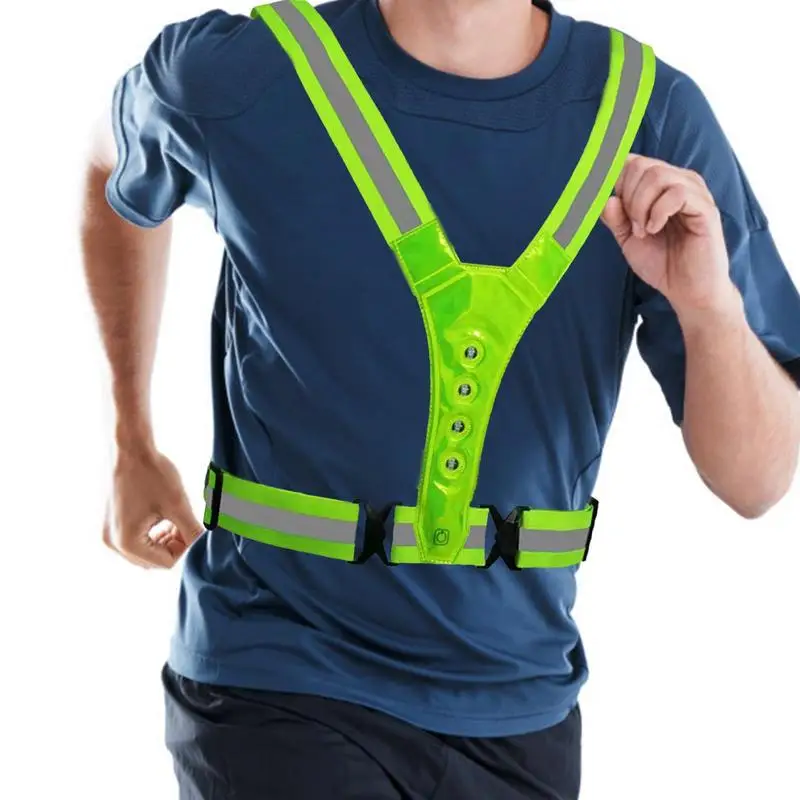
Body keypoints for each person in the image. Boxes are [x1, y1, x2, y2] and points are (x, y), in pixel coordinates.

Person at [80, 0, 800, 798]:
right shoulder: (244, 75)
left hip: (521, 700)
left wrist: (710, 309)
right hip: (278, 670)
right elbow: (113, 165)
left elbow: (758, 481)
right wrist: (129, 440)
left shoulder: (651, 115)